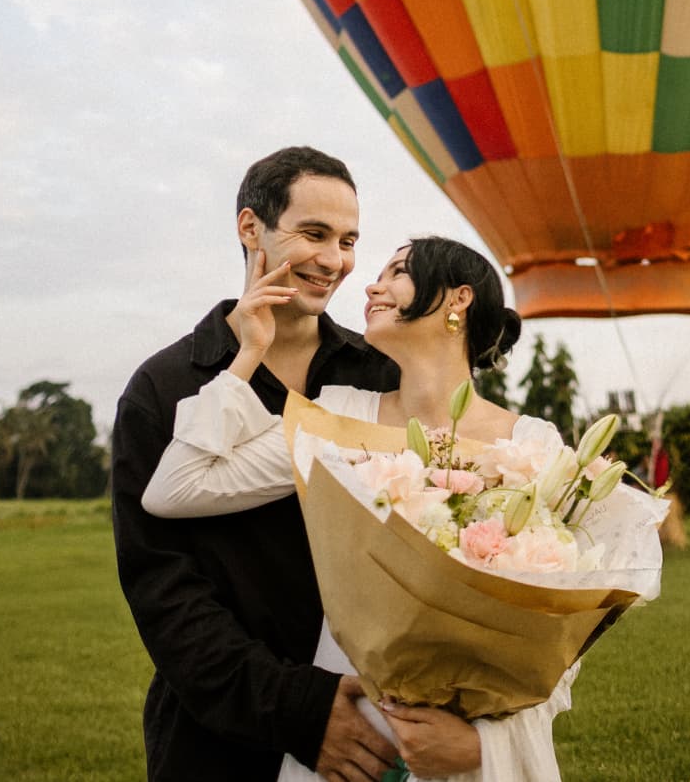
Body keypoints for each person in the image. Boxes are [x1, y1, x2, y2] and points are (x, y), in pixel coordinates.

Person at [142, 235, 579, 782]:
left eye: (398, 271)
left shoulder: (533, 446)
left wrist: (484, 746)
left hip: (478, 750)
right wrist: (248, 353)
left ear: (458, 298)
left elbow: (564, 641)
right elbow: (174, 488)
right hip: (355, 731)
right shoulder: (340, 415)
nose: (372, 285)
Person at [111, 146, 401, 782]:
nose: (335, 260)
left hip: (373, 723)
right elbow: (164, 592)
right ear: (251, 228)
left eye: (349, 241)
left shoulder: (380, 377)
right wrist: (299, 710)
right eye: (314, 234)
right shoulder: (163, 388)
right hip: (215, 744)